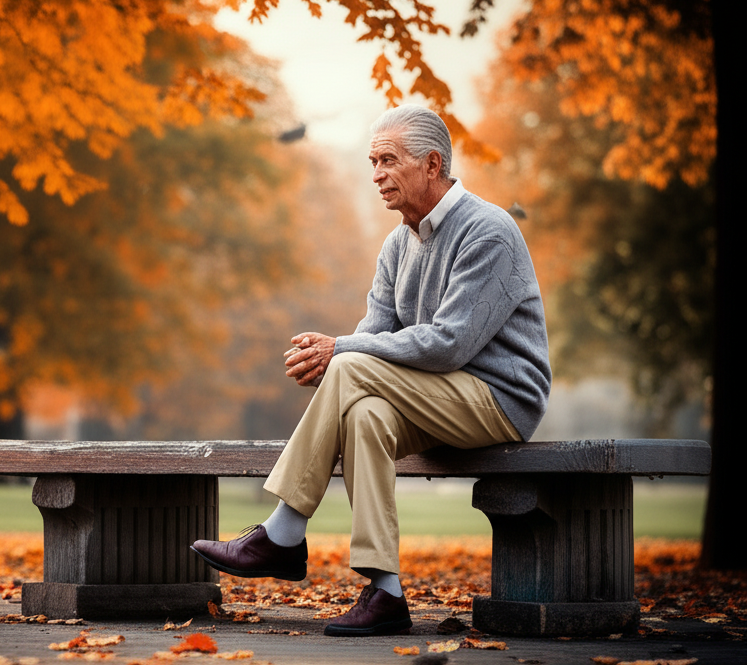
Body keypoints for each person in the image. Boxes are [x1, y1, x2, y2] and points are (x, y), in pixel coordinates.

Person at [192, 104, 552, 637]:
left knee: (350, 367)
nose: (377, 174)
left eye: (389, 160)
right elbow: (374, 337)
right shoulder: (396, 243)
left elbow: (449, 344)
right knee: (363, 413)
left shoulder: (488, 231)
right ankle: (385, 592)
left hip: (499, 398)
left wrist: (338, 351)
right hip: (434, 396)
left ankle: (284, 532)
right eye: (372, 162)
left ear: (432, 164)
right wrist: (338, 359)